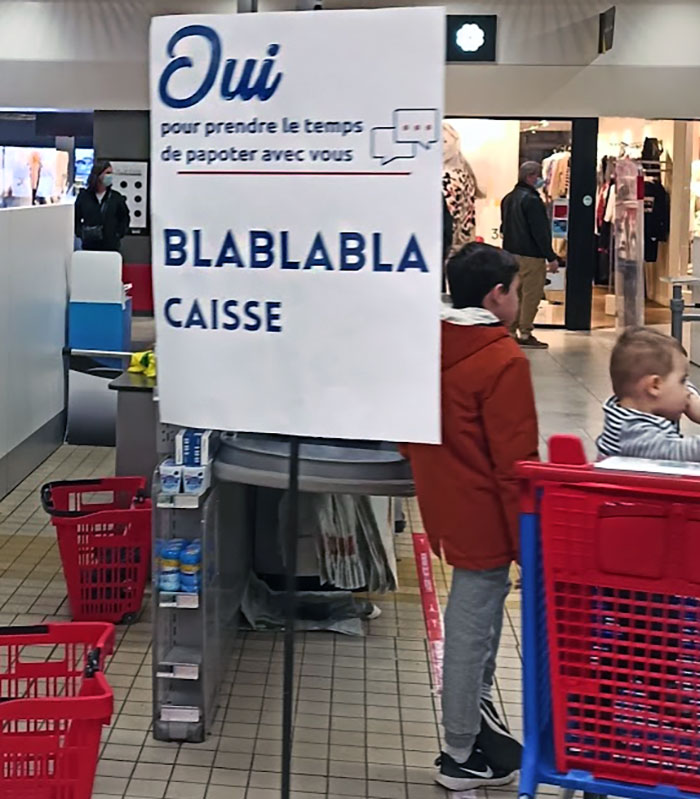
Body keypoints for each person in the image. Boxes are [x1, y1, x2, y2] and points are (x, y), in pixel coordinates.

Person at [403, 242, 539, 791]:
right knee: (469, 632)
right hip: (486, 513)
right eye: (518, 290)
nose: (521, 299)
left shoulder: (426, 344)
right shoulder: (503, 359)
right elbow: (515, 465)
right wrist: (529, 541)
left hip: (444, 506)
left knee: (475, 629)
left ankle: (477, 728)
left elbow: (405, 433)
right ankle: (460, 750)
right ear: (496, 295)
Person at [597, 327, 700, 459]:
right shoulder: (632, 431)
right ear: (655, 386)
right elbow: (683, 452)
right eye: (682, 381)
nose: (688, 392)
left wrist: (692, 399)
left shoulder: (643, 409)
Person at [501, 161, 559, 349]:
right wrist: (551, 256)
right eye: (538, 175)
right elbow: (540, 232)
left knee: (515, 293)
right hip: (531, 255)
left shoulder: (508, 198)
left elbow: (504, 227)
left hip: (511, 253)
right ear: (531, 176)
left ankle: (510, 330)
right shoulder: (532, 201)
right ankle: (525, 333)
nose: (540, 179)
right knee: (531, 295)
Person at [74, 159, 130, 252]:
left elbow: (124, 218)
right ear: (98, 174)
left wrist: (117, 234)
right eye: (107, 173)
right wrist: (81, 233)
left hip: (111, 246)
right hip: (89, 246)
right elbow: (76, 218)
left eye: (111, 173)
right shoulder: (84, 197)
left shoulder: (116, 197)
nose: (110, 176)